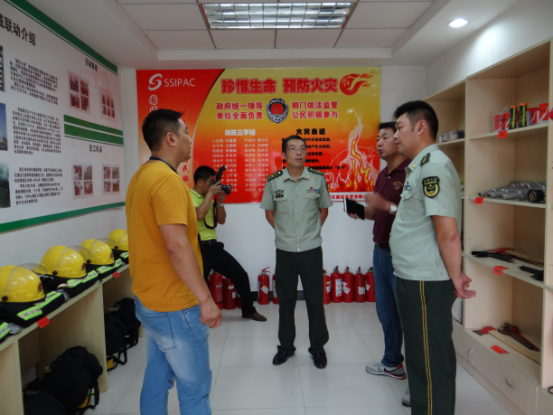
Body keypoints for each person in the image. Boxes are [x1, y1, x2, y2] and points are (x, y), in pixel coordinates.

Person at [366, 101, 476, 414]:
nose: (394, 136)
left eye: (399, 127)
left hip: (426, 280)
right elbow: (415, 219)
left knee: (429, 358)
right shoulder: (420, 166)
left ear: (420, 127)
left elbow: (447, 232)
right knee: (420, 353)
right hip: (413, 275)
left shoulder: (433, 168)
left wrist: (456, 276)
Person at [126, 109, 221, 415]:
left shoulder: (141, 176)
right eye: (185, 133)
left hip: (150, 300)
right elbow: (177, 247)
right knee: (195, 389)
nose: (189, 139)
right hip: (175, 305)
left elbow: (170, 231)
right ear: (170, 138)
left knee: (157, 377)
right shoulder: (166, 181)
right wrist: (205, 299)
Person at [260, 135, 333, 369]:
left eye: (302, 148)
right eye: (293, 149)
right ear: (284, 155)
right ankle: (285, 347)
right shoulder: (274, 182)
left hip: (311, 250)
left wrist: (311, 233)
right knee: (286, 302)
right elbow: (269, 212)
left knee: (315, 300)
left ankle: (318, 348)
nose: (298, 152)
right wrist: (285, 233)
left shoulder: (317, 179)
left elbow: (323, 210)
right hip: (285, 251)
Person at [349, 122, 411, 381]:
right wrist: (361, 211)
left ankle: (418, 376)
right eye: (377, 139)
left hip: (402, 255)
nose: (378, 143)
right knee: (386, 313)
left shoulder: (410, 173)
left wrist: (384, 204)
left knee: (408, 316)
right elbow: (377, 213)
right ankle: (392, 362)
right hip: (380, 252)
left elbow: (413, 215)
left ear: (398, 139)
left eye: (384, 137)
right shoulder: (382, 175)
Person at [191, 165, 267, 322]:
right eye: (211, 182)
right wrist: (209, 195)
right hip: (199, 248)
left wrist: (219, 201)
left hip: (214, 247)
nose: (213, 186)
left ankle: (248, 311)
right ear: (199, 182)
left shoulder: (209, 198)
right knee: (199, 284)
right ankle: (195, 317)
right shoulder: (188, 196)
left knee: (240, 275)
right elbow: (199, 215)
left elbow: (221, 220)